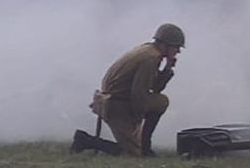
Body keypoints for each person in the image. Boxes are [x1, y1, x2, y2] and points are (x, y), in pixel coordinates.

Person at [75, 23, 183, 158]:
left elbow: (154, 87)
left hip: (113, 101)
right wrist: (136, 121)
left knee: (160, 101)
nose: (178, 51)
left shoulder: (147, 51)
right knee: (133, 154)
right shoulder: (150, 59)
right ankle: (87, 141)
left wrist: (167, 69)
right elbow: (139, 93)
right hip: (116, 106)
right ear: (165, 45)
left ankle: (143, 147)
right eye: (176, 47)